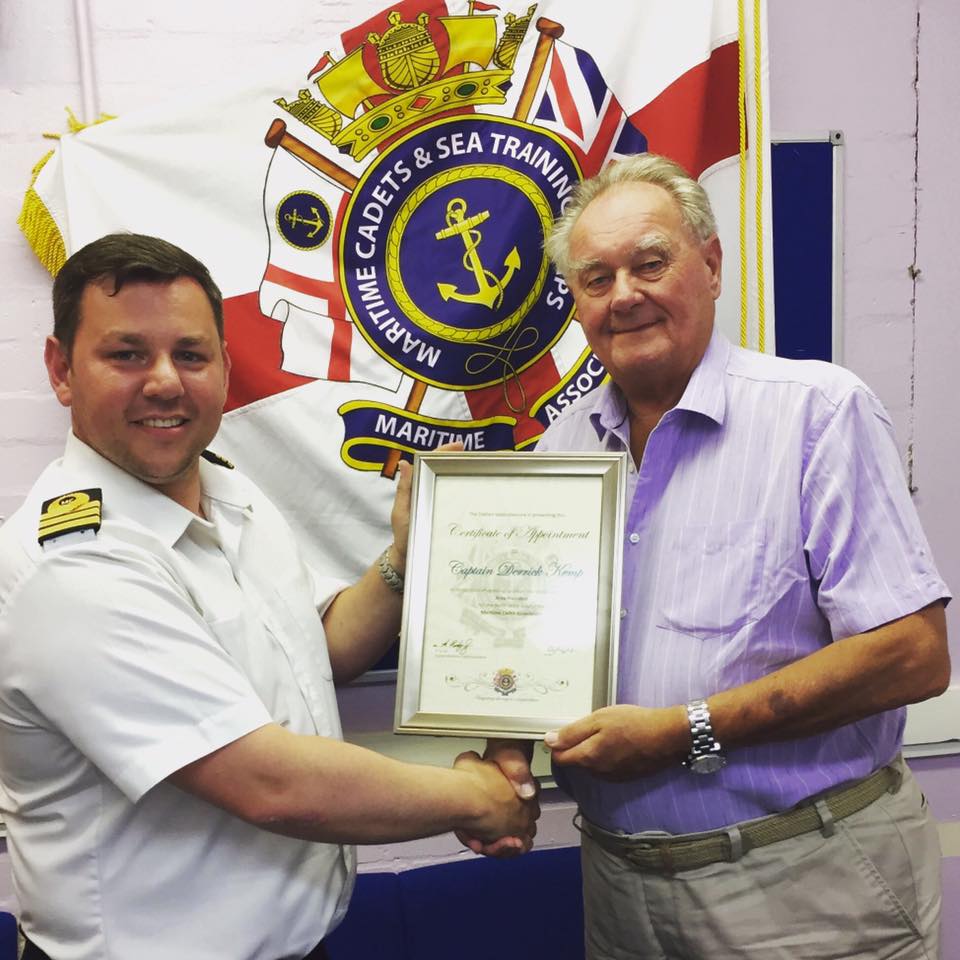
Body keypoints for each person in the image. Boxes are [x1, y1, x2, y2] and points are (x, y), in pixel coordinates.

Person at [0, 233, 539, 960]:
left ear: (224, 366)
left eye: (190, 355)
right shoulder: (73, 560)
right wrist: (482, 796)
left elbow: (321, 644)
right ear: (62, 370)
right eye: (127, 354)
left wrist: (406, 560)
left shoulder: (229, 489)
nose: (164, 381)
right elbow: (269, 783)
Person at [478, 154, 952, 959]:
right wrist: (499, 756)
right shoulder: (555, 455)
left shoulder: (817, 414)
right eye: (595, 279)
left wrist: (683, 730)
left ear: (712, 266)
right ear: (576, 306)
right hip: (621, 891)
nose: (623, 294)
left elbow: (913, 656)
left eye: (650, 263)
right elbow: (531, 649)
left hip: (808, 883)